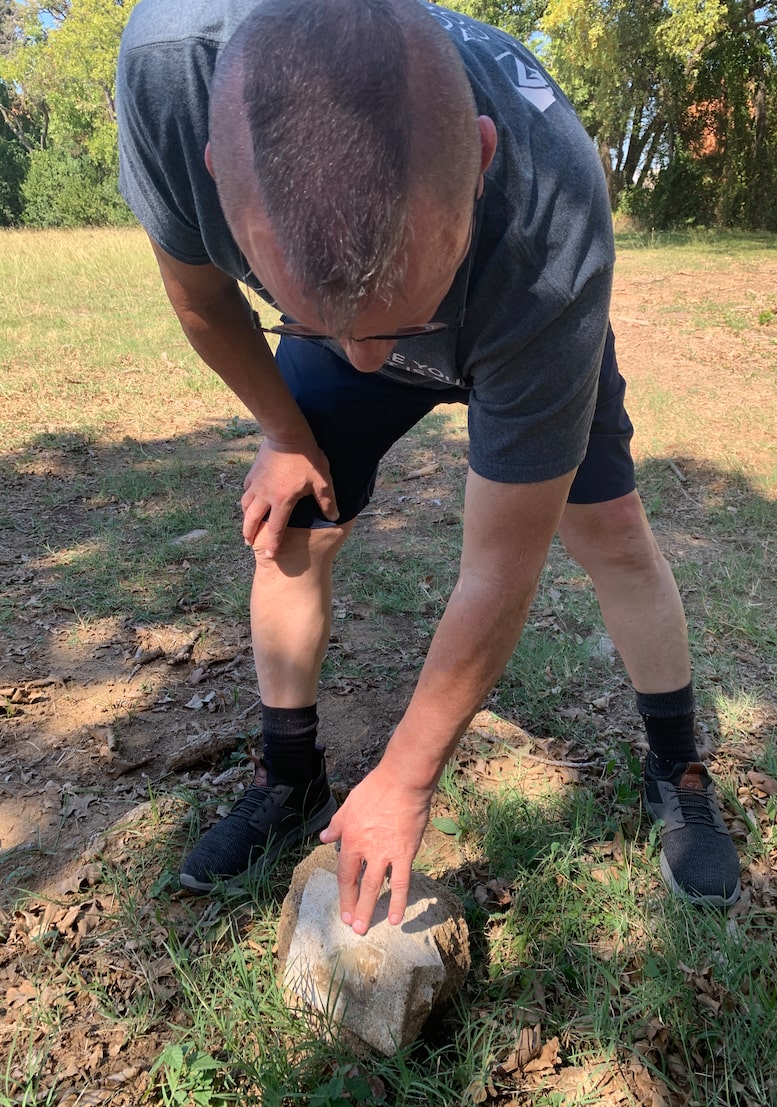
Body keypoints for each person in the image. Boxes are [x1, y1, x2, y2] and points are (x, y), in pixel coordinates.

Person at [116, 0, 741, 933]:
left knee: (609, 529)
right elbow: (202, 296)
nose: (371, 360)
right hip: (364, 289)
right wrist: (284, 429)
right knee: (292, 523)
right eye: (331, 328)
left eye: (395, 326)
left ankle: (679, 768)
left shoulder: (552, 229)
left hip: (507, 308)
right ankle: (288, 777)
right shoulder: (176, 78)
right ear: (219, 178)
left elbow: (498, 567)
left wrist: (408, 775)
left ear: (483, 159)